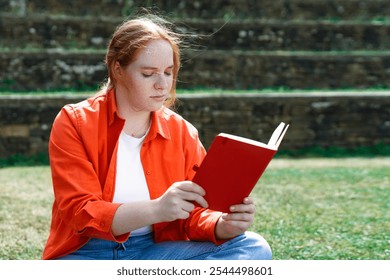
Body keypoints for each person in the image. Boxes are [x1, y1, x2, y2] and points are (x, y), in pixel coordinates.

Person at [42, 13, 272, 260]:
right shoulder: (74, 121)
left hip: (154, 252)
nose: (163, 84)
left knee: (252, 247)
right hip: (86, 253)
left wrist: (222, 225)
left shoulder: (182, 131)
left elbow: (194, 213)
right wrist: (157, 209)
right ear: (118, 70)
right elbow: (80, 212)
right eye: (149, 73)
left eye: (168, 72)